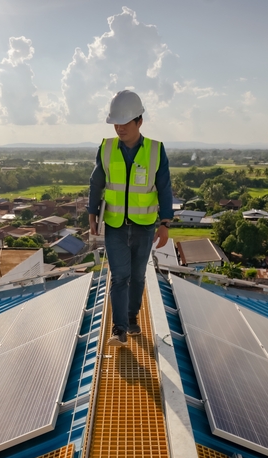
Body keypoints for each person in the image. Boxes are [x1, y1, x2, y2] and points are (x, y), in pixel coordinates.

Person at [88, 90, 173, 346]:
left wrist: (165, 223)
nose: (119, 127)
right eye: (116, 122)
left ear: (139, 121)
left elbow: (165, 187)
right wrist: (92, 215)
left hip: (144, 227)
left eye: (125, 122)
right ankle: (119, 329)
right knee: (120, 276)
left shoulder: (156, 151)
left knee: (137, 277)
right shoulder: (106, 148)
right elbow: (96, 183)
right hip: (114, 226)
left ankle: (132, 317)